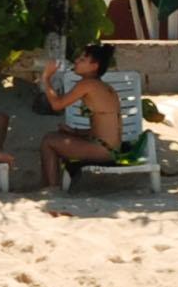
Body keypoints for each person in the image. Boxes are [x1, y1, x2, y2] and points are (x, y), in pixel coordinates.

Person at [35, 42, 127, 197]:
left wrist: (46, 77)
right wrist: (76, 132)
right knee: (59, 137)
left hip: (103, 151)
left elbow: (57, 105)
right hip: (112, 148)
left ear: (94, 66)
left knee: (48, 141)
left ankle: (52, 189)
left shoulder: (87, 84)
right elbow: (104, 128)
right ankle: (50, 184)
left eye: (83, 59)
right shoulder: (104, 87)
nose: (76, 61)